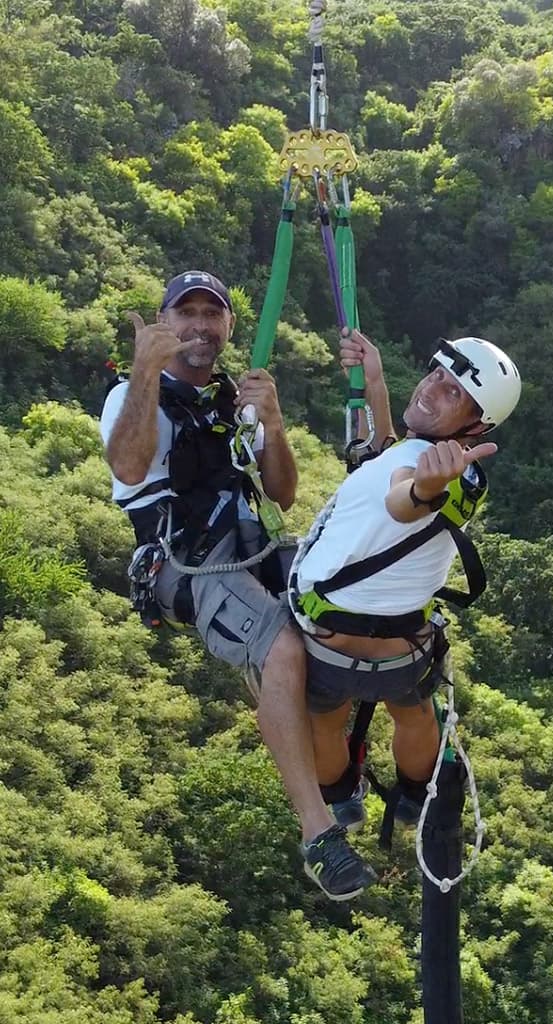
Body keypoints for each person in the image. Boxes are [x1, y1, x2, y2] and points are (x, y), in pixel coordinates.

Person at [100, 270, 377, 902]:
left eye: (212, 315)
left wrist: (271, 423)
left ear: (228, 325)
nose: (200, 326)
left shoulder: (234, 399)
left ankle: (336, 773)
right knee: (283, 646)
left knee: (347, 607)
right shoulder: (132, 395)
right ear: (165, 322)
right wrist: (144, 371)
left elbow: (282, 492)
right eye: (186, 314)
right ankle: (320, 835)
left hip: (251, 541)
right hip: (184, 560)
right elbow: (128, 468)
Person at [293, 330, 521, 846]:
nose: (432, 388)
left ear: (476, 425)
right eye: (436, 374)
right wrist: (375, 382)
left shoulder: (428, 473)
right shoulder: (463, 475)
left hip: (330, 637)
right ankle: (417, 796)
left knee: (324, 720)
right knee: (415, 713)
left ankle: (341, 797)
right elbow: (397, 458)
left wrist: (421, 490)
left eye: (453, 391)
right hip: (402, 645)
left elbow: (403, 497)